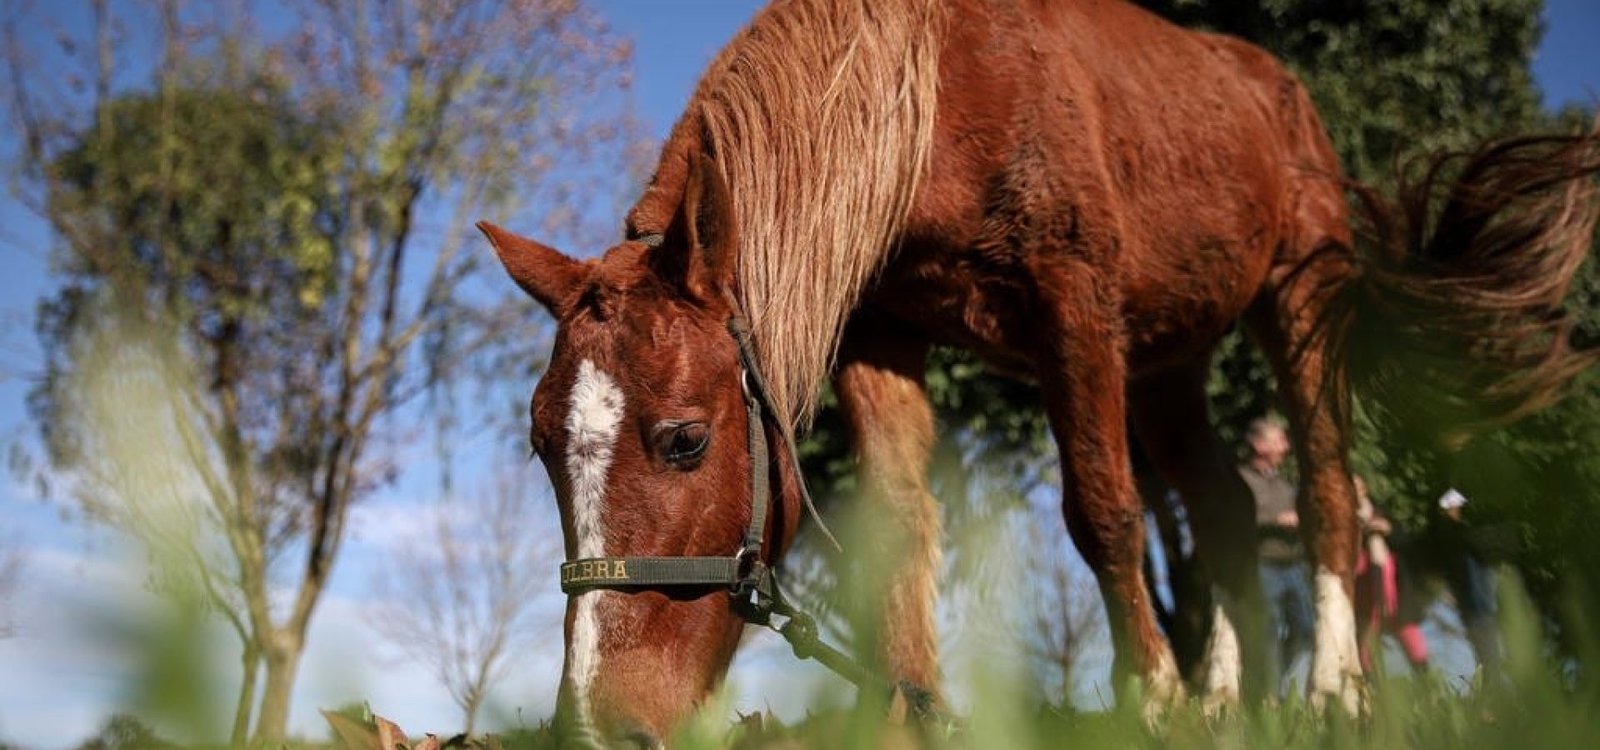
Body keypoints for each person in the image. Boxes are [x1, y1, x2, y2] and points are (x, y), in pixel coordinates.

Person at [1240, 416, 1314, 695]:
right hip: (1263, 565)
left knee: (1306, 630)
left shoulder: (1286, 484)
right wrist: (1275, 520)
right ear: (1259, 445)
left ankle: (1273, 684)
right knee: (1269, 631)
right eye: (1278, 440)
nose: (1285, 446)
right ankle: (1269, 696)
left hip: (1294, 566)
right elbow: (1237, 520)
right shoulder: (1242, 481)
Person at [1352, 475, 1429, 675]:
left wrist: (1388, 529)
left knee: (1407, 631)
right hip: (1361, 586)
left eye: (1358, 487)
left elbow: (1405, 543)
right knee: (1366, 636)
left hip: (1393, 585)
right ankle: (1372, 689)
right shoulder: (1343, 519)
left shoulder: (1382, 512)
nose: (1355, 492)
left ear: (1365, 489)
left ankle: (1427, 687)